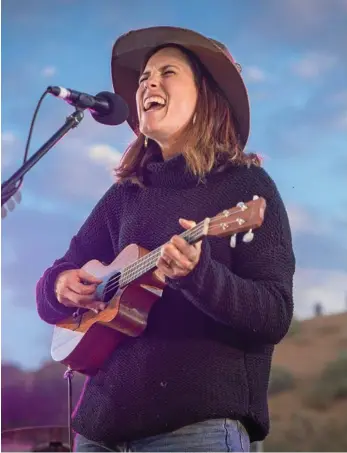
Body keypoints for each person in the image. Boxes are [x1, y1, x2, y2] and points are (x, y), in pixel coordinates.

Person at [36, 26, 296, 452]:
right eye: (143, 78)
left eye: (167, 72)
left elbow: (274, 314)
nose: (148, 83)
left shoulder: (247, 189)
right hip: (99, 431)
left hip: (196, 429)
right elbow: (56, 281)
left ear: (206, 96)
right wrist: (61, 285)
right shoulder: (126, 193)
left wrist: (199, 275)